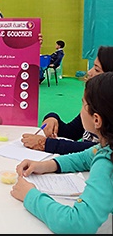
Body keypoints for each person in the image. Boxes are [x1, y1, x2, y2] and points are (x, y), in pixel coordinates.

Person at [11, 72, 113, 234]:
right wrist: (45, 165)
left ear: (96, 120)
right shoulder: (106, 146)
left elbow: (75, 224)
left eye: (82, 104)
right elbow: (86, 157)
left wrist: (30, 195)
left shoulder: (106, 164)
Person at [22, 45, 113, 155]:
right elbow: (72, 132)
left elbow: (101, 150)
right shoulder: (94, 102)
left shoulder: (107, 111)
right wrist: (52, 118)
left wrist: (46, 144)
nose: (89, 72)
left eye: (97, 69)